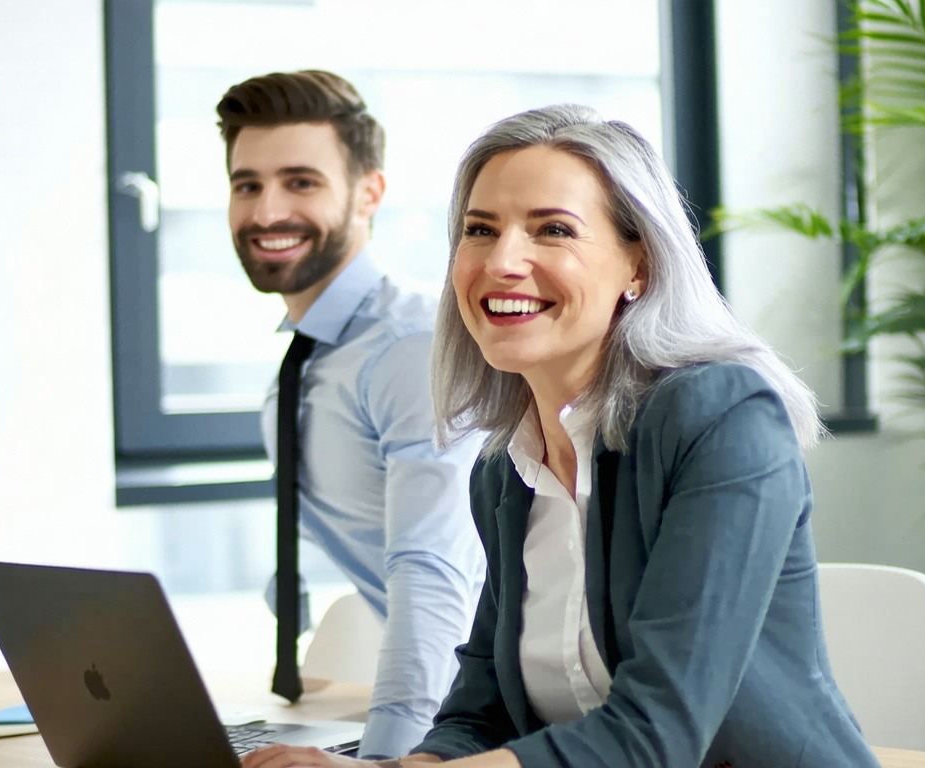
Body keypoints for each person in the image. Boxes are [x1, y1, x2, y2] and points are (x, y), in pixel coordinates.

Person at [240, 104, 881, 767]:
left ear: (640, 265)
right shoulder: (504, 468)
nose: (504, 261)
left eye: (552, 230)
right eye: (480, 230)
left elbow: (657, 733)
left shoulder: (722, 417)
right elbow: (477, 713)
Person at [215, 70, 486, 760]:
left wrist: (381, 763)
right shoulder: (307, 360)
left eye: (300, 182)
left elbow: (430, 574)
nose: (267, 210)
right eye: (248, 184)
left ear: (371, 192)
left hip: (491, 724)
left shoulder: (407, 348)